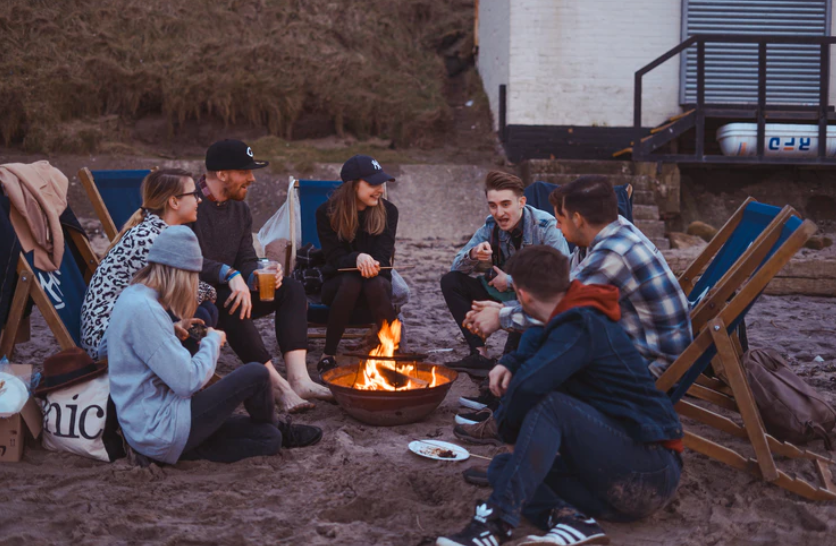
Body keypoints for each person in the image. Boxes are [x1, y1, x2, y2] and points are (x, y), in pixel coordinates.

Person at [437, 246, 683, 546]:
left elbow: (529, 386)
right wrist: (510, 362)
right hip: (609, 484)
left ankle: (494, 525)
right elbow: (532, 345)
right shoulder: (561, 314)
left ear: (522, 296)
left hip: (649, 471)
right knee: (504, 468)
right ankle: (573, 521)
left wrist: (509, 433)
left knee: (549, 407)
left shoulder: (583, 322)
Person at [106, 226, 322, 465]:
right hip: (161, 427)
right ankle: (280, 428)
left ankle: (276, 431)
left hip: (151, 429)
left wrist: (171, 331)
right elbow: (187, 382)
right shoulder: (145, 310)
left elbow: (137, 350)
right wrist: (212, 341)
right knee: (256, 373)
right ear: (179, 272)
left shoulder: (134, 296)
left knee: (267, 439)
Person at [463, 175, 692, 379]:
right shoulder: (606, 234)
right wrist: (501, 307)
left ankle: (506, 412)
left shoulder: (613, 253)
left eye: (560, 222)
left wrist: (500, 317)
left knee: (548, 346)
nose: (559, 229)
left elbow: (561, 308)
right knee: (537, 337)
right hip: (631, 340)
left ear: (578, 219)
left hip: (653, 364)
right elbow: (560, 291)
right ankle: (502, 405)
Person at [190, 139, 332, 413]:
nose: (252, 179)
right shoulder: (189, 204)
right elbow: (186, 259)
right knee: (230, 301)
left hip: (235, 288)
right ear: (222, 174)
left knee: (291, 289)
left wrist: (258, 272)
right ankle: (276, 385)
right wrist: (230, 275)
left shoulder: (240, 210)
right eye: (245, 172)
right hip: (198, 297)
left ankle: (299, 378)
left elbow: (245, 256)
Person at [440, 171, 569, 378]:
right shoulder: (490, 226)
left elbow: (562, 277)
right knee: (451, 281)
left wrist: (510, 281)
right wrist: (474, 254)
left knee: (511, 363)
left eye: (506, 204)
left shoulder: (546, 226)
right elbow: (456, 266)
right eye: (493, 205)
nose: (499, 213)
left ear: (521, 202)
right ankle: (479, 354)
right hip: (499, 296)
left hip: (532, 301)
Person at [81, 168, 218, 360]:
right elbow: (182, 293)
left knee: (205, 312)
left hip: (127, 324)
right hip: (109, 340)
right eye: (194, 194)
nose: (199, 200)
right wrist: (215, 289)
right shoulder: (151, 239)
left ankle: (184, 362)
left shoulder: (154, 231)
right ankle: (181, 368)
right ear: (174, 201)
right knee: (202, 311)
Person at [314, 155, 399, 374]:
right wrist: (357, 258)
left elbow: (383, 254)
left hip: (376, 284)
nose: (380, 189)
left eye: (381, 183)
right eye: (373, 184)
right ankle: (329, 353)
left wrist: (371, 263)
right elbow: (334, 258)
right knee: (351, 281)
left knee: (374, 283)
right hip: (338, 285)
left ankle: (391, 353)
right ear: (353, 185)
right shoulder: (326, 213)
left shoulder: (389, 212)